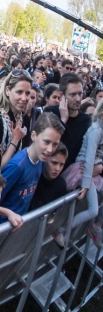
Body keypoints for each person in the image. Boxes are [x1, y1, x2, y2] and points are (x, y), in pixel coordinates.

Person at [0, 112, 65, 225]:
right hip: (0, 228)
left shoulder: (41, 161)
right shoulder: (17, 167)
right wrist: (7, 215)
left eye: (55, 144)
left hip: (17, 227)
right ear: (33, 136)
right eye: (46, 142)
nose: (50, 149)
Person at [54, 98, 103, 248]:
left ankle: (97, 227)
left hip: (92, 171)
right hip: (83, 170)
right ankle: (61, 230)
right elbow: (88, 159)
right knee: (93, 210)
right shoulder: (96, 130)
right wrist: (87, 184)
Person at [0, 70, 34, 169]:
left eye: (27, 93)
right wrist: (15, 140)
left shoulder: (25, 119)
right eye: (19, 92)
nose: (24, 98)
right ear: (8, 90)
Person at [45, 73, 92, 170]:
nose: (78, 99)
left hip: (71, 175)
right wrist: (63, 120)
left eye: (80, 93)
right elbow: (49, 147)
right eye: (73, 94)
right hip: (47, 171)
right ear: (62, 95)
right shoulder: (50, 112)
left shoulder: (86, 121)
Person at [30, 143, 68, 213]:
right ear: (45, 159)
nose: (57, 168)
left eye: (61, 164)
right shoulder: (32, 177)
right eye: (54, 163)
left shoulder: (61, 185)